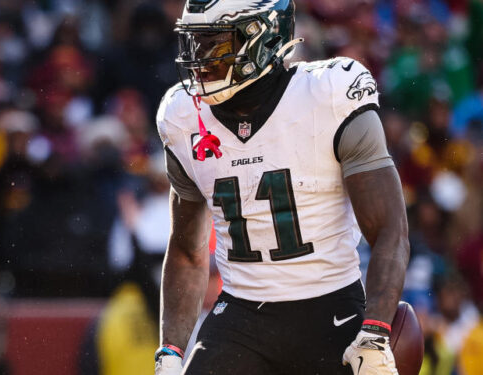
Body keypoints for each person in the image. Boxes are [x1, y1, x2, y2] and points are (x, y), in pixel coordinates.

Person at [154, 1, 410, 375]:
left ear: (262, 37)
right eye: (195, 44)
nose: (201, 61)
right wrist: (170, 351)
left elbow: (390, 228)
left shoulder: (328, 94)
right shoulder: (181, 116)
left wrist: (375, 332)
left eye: (215, 45)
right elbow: (186, 249)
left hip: (331, 308)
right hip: (240, 313)